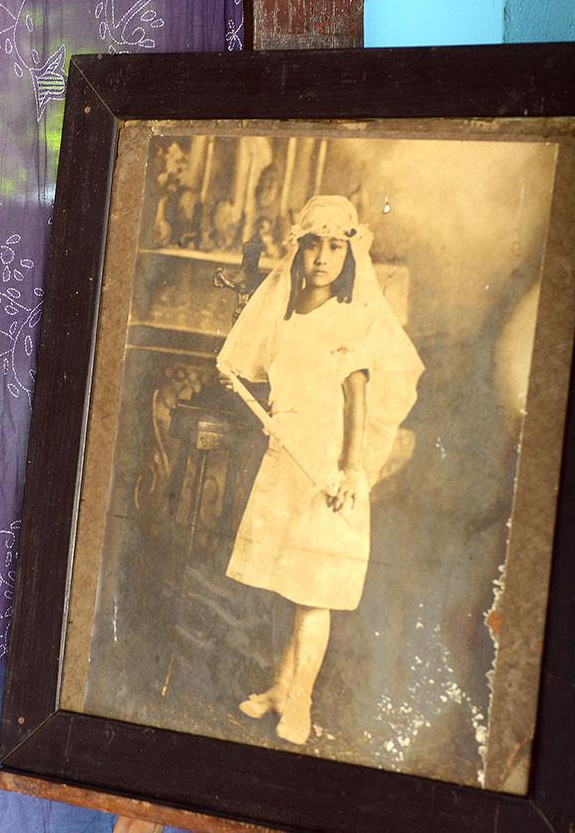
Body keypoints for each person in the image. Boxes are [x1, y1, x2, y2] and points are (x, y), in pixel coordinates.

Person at [216, 195, 424, 744]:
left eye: (335, 247)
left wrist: (349, 472)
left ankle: (301, 702)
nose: (323, 258)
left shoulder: (350, 319)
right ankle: (281, 687)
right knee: (292, 584)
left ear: (349, 254)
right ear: (298, 250)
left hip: (328, 469)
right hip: (287, 459)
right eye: (313, 245)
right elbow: (271, 376)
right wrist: (238, 383)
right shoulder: (285, 316)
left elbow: (357, 399)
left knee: (315, 593)